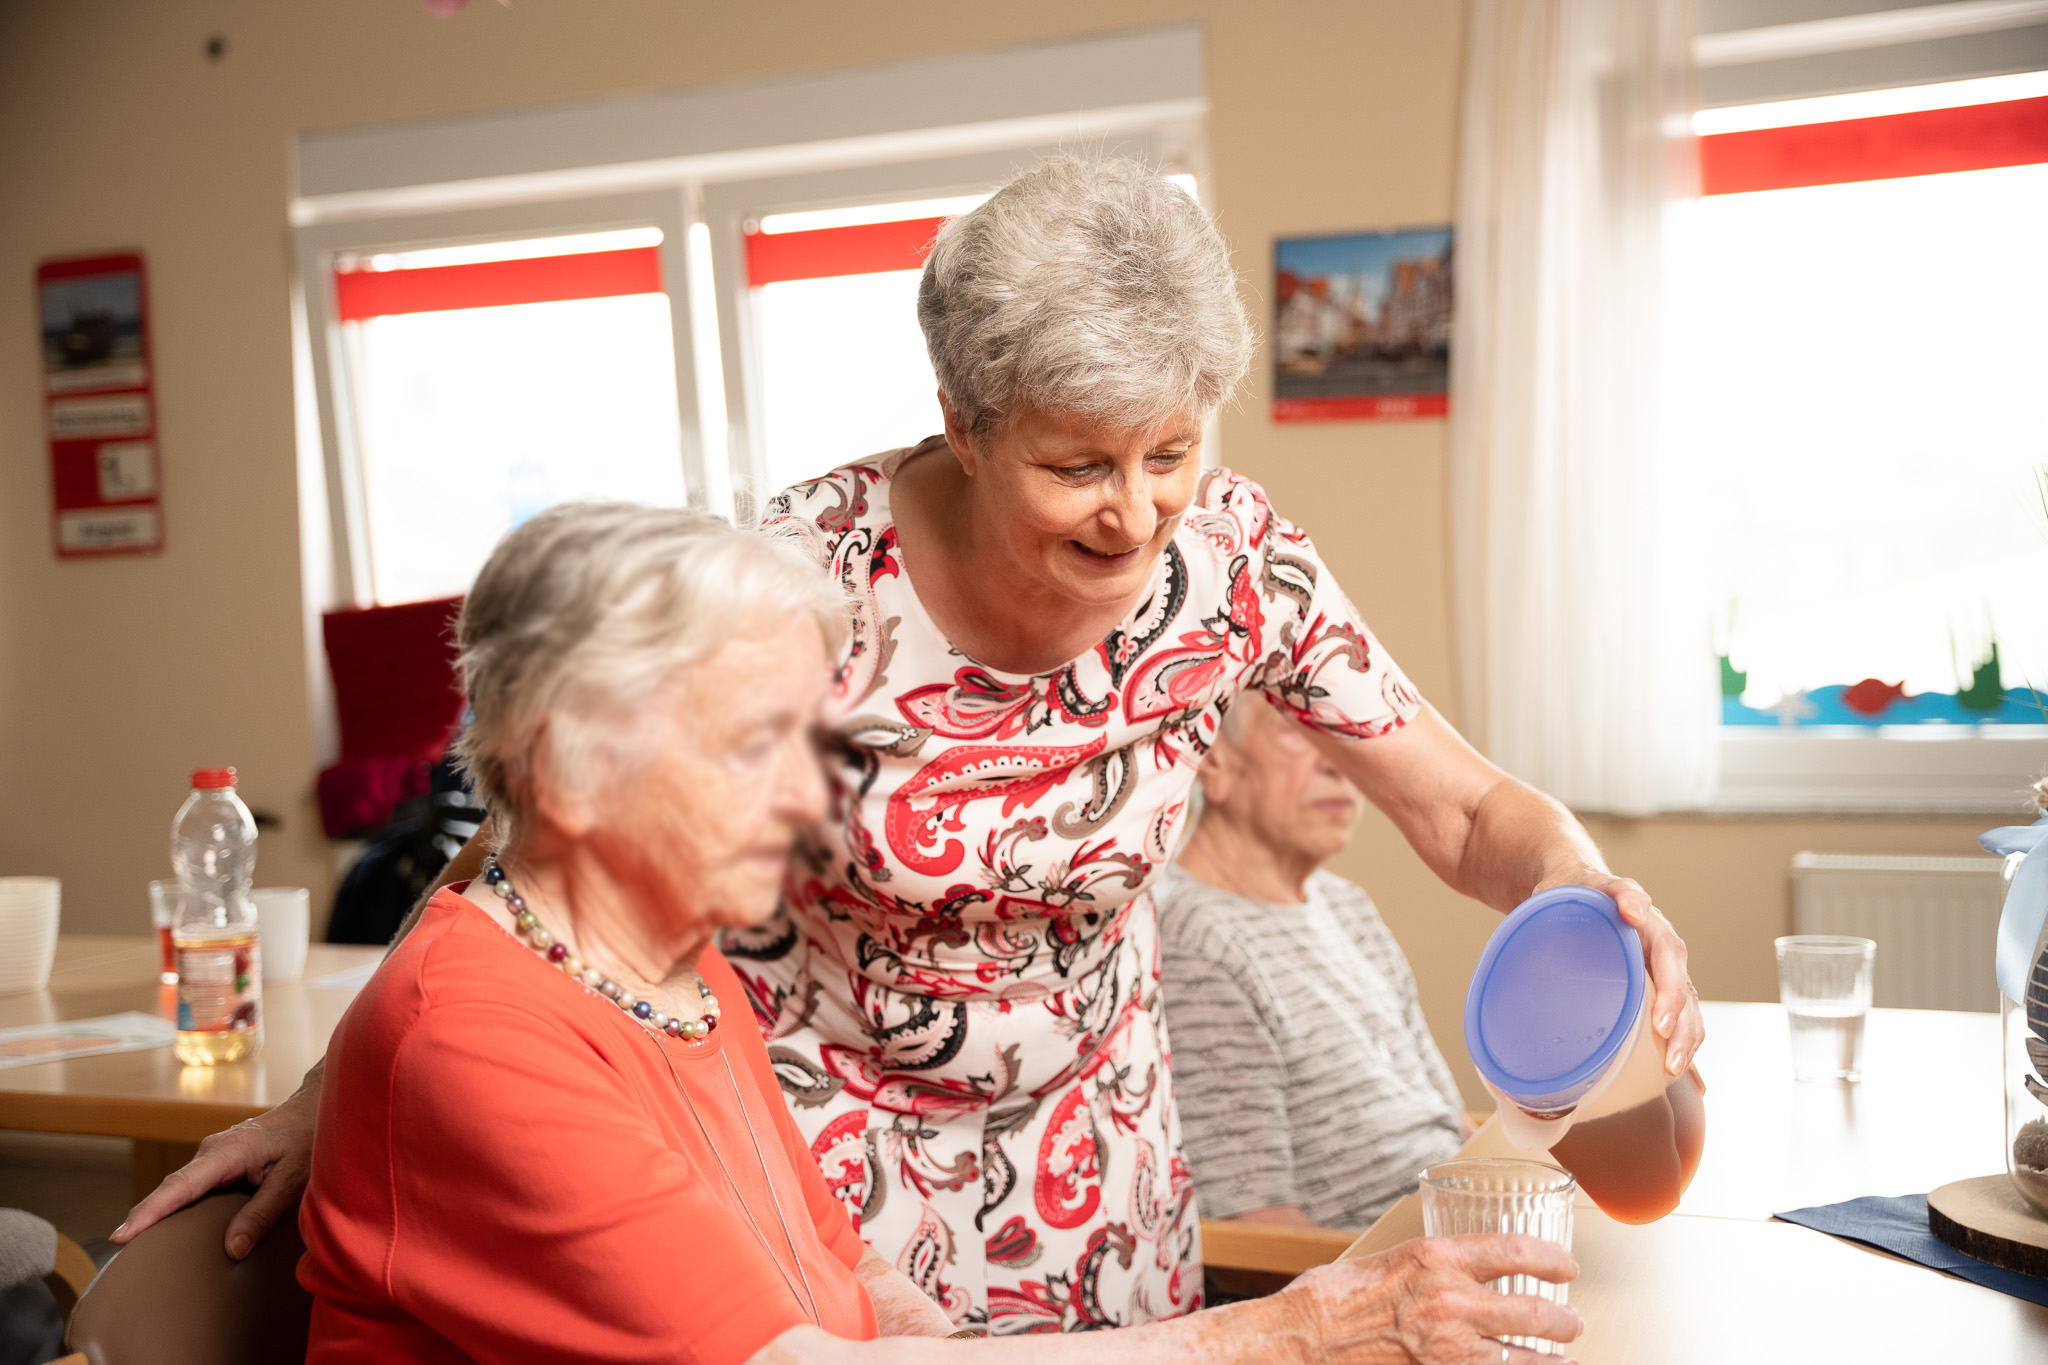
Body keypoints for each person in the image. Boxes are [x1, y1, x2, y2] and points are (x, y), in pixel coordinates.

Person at [119, 155, 1703, 1336]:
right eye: (1080, 463)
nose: (1139, 512)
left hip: (1104, 1140)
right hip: (828, 1165)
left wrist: (1589, 889)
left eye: (1171, 450)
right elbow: (549, 840)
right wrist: (332, 1095)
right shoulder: (805, 579)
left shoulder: (1231, 562)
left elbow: (1467, 806)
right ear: (963, 418)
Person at [297, 501, 1583, 1363]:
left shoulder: (677, 970)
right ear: (571, 771)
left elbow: (865, 1296)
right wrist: (1293, 1330)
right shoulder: (481, 1035)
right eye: (756, 749)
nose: (819, 803)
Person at [1157, 693, 1466, 1233]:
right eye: (1300, 732)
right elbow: (1257, 1224)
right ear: (1215, 761)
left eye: (1346, 736)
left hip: (1466, 1224)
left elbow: (1446, 1122)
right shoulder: (1195, 940)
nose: (1337, 762)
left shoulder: (1348, 905)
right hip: (1387, 1275)